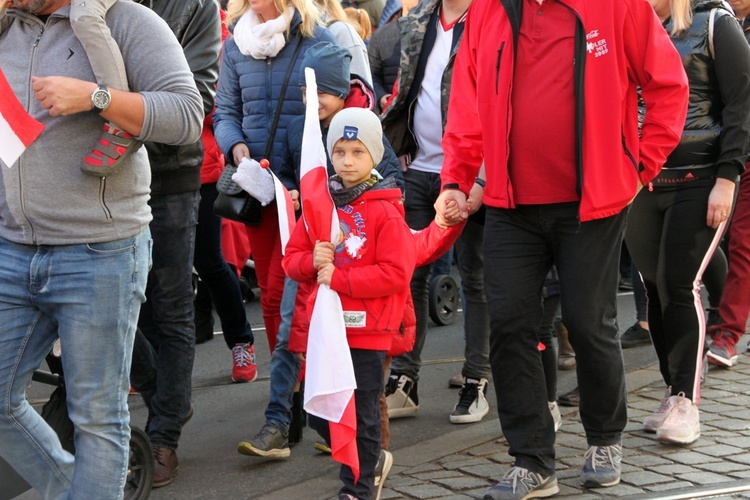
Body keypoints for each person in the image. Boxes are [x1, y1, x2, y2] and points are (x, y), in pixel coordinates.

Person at [435, 0, 690, 496]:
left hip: (592, 202)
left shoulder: (618, 5)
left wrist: (641, 166)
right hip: (510, 204)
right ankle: (532, 460)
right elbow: (467, 104)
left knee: (587, 322)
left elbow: (668, 85)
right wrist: (455, 179)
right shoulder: (487, 11)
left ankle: (603, 437)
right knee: (509, 325)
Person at [0, 0, 203, 498]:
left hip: (99, 253)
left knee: (96, 417)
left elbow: (187, 115)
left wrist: (97, 97)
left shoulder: (127, 20)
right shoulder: (7, 26)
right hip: (12, 249)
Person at [238, 41, 403, 460]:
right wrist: (292, 192)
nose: (312, 102)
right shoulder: (306, 130)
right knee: (293, 335)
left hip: (358, 278)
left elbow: (389, 196)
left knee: (363, 377)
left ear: (340, 90)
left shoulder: (365, 132)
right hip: (316, 259)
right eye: (306, 94)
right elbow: (300, 177)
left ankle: (367, 453)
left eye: (320, 93)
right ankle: (280, 421)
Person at [625, 0, 750, 444]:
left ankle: (685, 400)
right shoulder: (630, 24)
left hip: (701, 177)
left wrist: (728, 178)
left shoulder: (715, 22)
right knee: (655, 287)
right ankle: (671, 390)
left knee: (679, 284)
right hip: (641, 180)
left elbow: (741, 106)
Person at [283, 106, 416, 500]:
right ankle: (368, 461)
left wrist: (340, 277)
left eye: (358, 152)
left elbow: (396, 272)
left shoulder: (386, 210)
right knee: (320, 412)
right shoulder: (321, 204)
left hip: (369, 329)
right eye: (339, 151)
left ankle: (357, 486)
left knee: (361, 411)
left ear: (374, 154)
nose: (347, 160)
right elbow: (293, 259)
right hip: (329, 329)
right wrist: (312, 261)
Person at [380, 0, 489, 425]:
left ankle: (476, 379)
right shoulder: (420, 18)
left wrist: (480, 177)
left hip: (472, 173)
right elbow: (408, 89)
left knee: (476, 276)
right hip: (419, 169)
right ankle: (405, 379)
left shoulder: (489, 16)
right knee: (409, 274)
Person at [128, 0, 221, 488]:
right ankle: (166, 396)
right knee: (122, 303)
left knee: (170, 305)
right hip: (109, 174)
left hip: (169, 172)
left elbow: (198, 94)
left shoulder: (196, 6)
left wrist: (119, 111)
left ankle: (163, 435)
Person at [214, 0, 336, 356]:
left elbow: (339, 104)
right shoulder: (235, 43)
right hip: (260, 188)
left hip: (308, 185)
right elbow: (225, 111)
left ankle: (313, 371)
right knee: (269, 288)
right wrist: (236, 146)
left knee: (308, 285)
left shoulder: (316, 38)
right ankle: (285, 381)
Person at [192, 1, 258, 383]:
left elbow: (216, 106)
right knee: (151, 272)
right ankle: (147, 362)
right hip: (149, 168)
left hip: (202, 169)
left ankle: (241, 341)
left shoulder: (219, 34)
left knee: (211, 262)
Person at [707, 0, 750, 366]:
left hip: (743, 150)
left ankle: (728, 333)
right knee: (713, 238)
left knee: (743, 242)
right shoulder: (709, 19)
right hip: (716, 150)